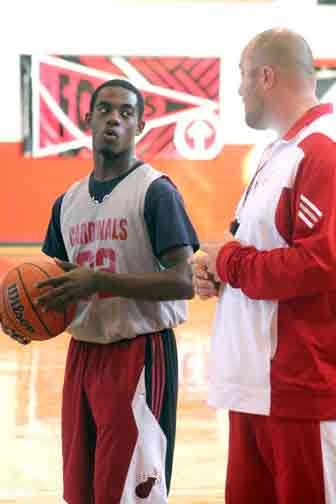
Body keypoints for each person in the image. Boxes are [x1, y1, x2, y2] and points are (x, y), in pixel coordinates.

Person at [33, 79, 198, 504]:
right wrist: (25, 320)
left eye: (126, 113)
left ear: (140, 125)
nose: (114, 119)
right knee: (83, 491)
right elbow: (56, 281)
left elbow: (184, 281)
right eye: (105, 109)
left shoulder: (156, 191)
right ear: (87, 120)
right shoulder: (66, 202)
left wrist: (101, 281)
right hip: (83, 356)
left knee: (129, 493)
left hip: (140, 355)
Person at [193, 29, 336, 504]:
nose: (237, 89)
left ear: (266, 76)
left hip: (298, 392)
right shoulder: (276, 154)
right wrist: (214, 270)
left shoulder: (323, 150)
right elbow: (256, 249)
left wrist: (229, 261)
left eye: (241, 76)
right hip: (253, 387)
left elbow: (320, 263)